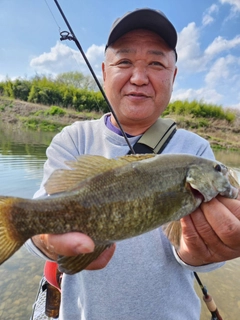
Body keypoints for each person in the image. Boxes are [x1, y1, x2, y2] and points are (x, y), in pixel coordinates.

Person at [26, 8, 240, 320]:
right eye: (124, 61)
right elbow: (44, 209)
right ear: (103, 70)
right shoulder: (73, 139)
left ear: (174, 75)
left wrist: (204, 253)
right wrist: (43, 238)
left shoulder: (196, 148)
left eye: (156, 63)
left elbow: (194, 254)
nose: (139, 78)